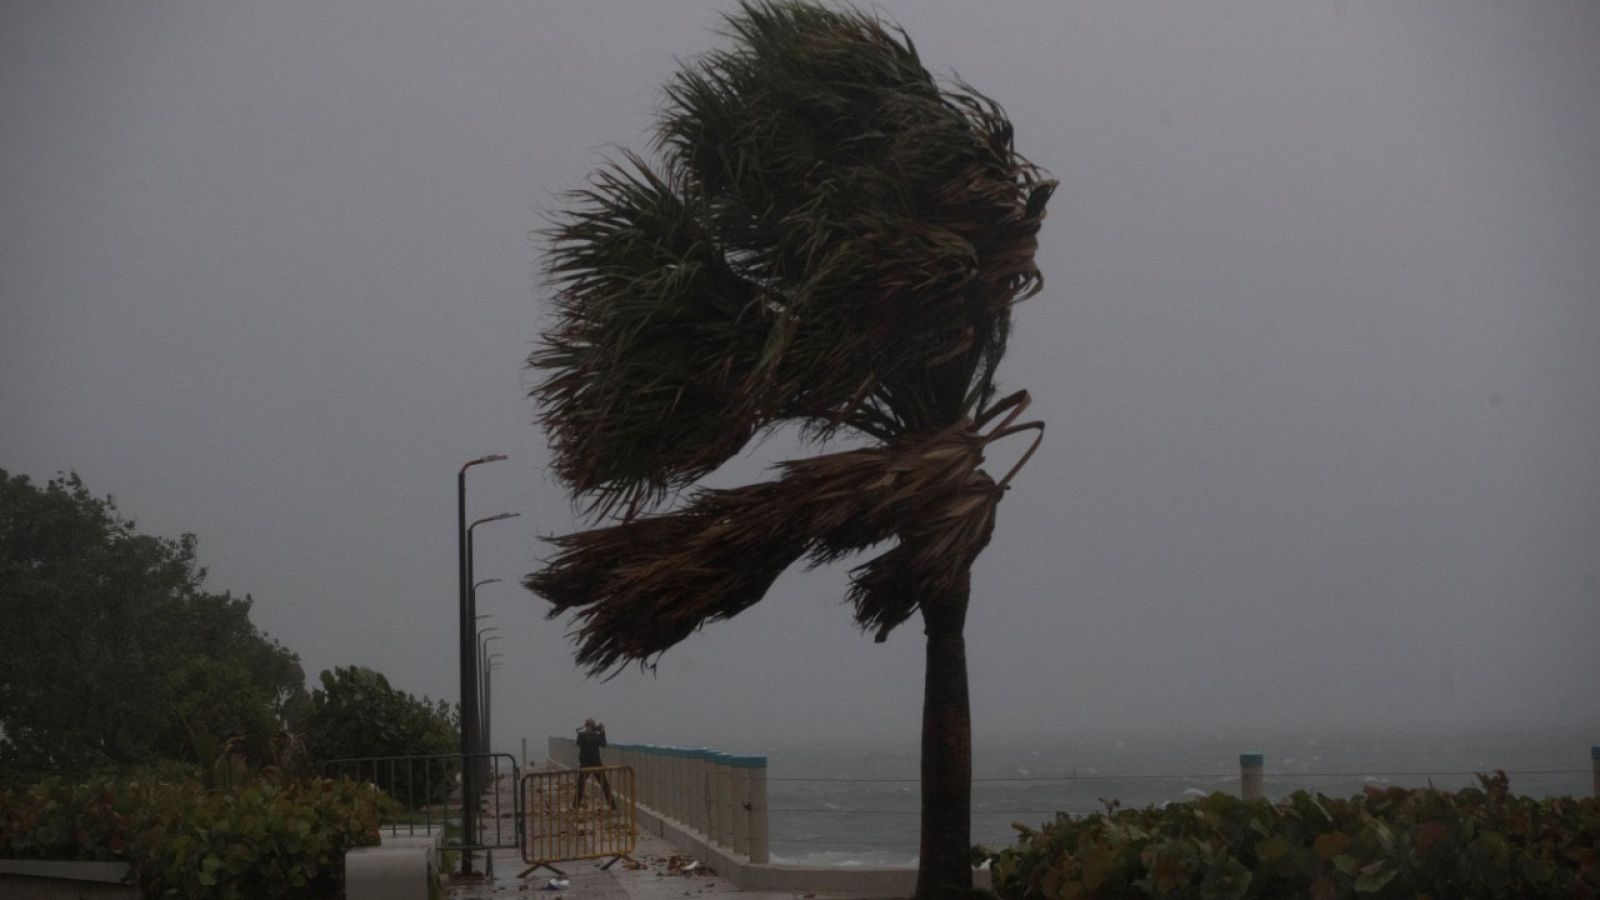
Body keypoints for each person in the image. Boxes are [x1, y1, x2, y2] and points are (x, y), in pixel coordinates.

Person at [573, 718, 615, 809]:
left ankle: (575, 805)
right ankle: (613, 806)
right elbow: (603, 744)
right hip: (595, 764)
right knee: (602, 785)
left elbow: (603, 745)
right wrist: (602, 732)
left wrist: (597, 733)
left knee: (583, 785)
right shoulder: (591, 736)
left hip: (586, 764)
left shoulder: (582, 735)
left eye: (588, 726)